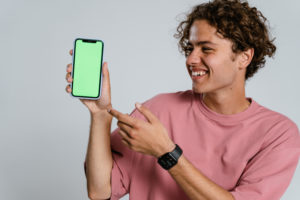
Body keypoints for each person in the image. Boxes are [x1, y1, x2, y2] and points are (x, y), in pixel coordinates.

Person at [65, 0, 300, 199]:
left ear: (244, 57)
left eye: (206, 49)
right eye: (190, 47)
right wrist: (100, 115)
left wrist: (166, 152)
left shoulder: (277, 133)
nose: (191, 59)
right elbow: (100, 190)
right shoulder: (158, 109)